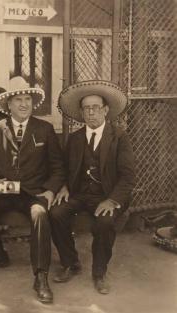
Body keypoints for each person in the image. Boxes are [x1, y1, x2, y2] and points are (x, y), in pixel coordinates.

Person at [0, 76, 65, 304]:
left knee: (40, 215)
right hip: (5, 191)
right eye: (18, 100)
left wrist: (51, 191)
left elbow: (58, 167)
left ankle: (41, 276)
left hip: (34, 192)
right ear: (8, 105)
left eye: (27, 99)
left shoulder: (44, 129)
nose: (24, 104)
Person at [50, 80, 136, 295]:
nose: (91, 113)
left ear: (105, 110)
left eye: (96, 107)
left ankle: (99, 272)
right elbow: (65, 167)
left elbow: (128, 176)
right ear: (81, 112)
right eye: (87, 108)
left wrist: (112, 200)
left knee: (105, 222)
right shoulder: (76, 138)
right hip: (80, 193)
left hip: (108, 194)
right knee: (56, 212)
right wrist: (64, 187)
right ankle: (71, 263)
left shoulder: (119, 137)